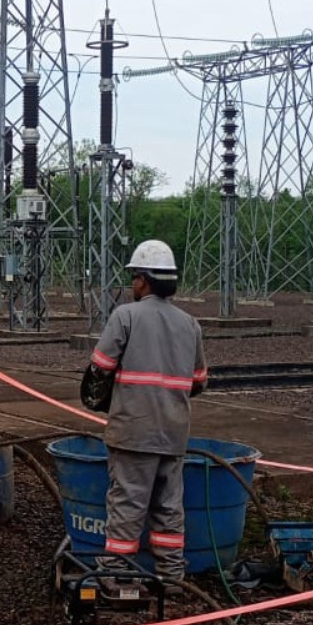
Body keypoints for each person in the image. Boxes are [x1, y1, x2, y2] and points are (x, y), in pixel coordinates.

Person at [81, 240, 207, 592]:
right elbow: (198, 381)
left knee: (127, 504)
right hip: (173, 432)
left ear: (144, 280)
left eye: (135, 277)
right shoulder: (190, 324)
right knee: (169, 508)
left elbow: (100, 368)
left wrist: (108, 400)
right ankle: (171, 578)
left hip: (133, 430)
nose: (132, 284)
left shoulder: (126, 316)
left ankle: (114, 575)